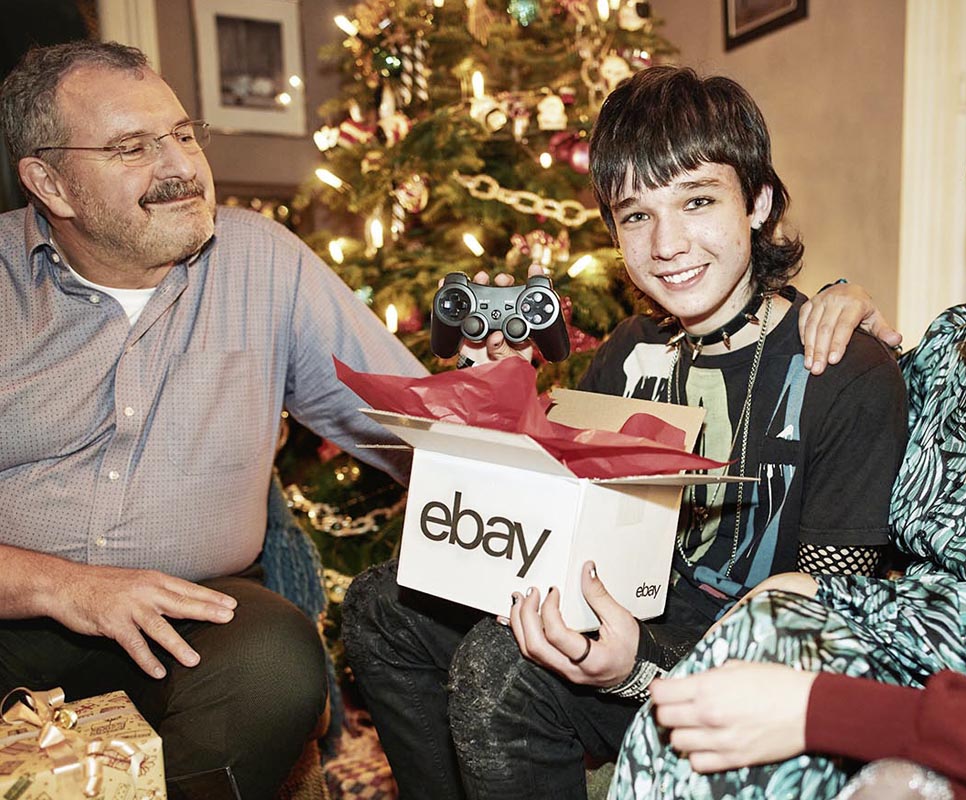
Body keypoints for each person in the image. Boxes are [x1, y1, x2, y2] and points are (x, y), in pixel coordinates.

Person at [607, 77, 966, 800]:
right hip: (879, 661)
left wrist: (818, 595)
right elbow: (848, 405)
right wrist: (835, 300)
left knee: (772, 626)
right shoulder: (953, 351)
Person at [341, 66, 908, 800]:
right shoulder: (632, 348)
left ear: (758, 203)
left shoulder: (844, 369)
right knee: (383, 604)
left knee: (500, 669)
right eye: (636, 215)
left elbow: (831, 615)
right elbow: (558, 499)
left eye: (697, 201)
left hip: (736, 652)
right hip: (614, 596)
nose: (667, 243)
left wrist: (636, 666)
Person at [0, 41, 426, 799]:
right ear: (48, 182)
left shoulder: (264, 262)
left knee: (275, 667)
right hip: (11, 615)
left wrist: (493, 403)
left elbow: (415, 423)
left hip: (194, 613)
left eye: (183, 134)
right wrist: (62, 586)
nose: (180, 167)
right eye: (132, 147)